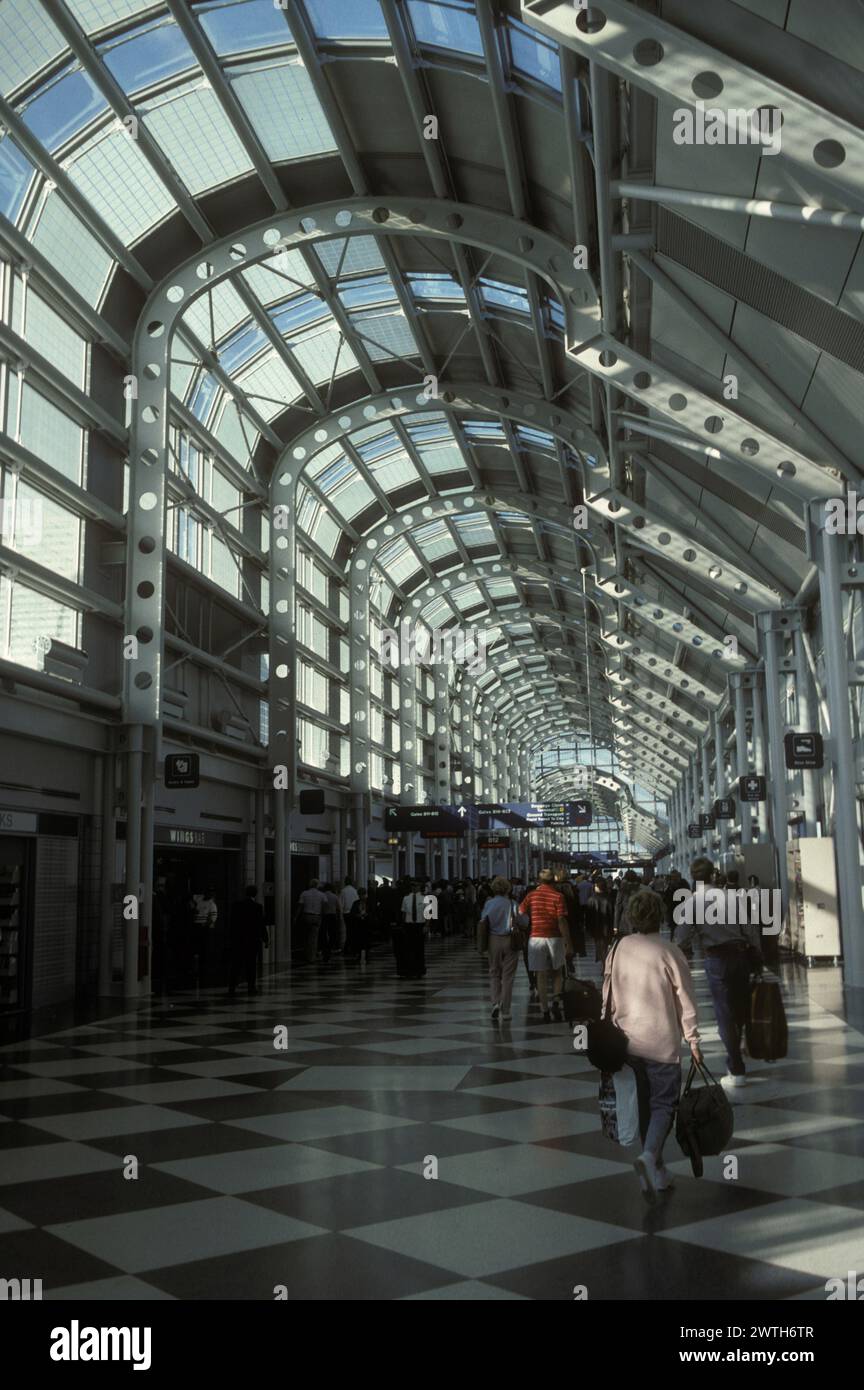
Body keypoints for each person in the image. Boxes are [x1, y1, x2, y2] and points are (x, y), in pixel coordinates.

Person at [604, 887, 701, 1203]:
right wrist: (693, 1039)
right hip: (662, 1043)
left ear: (630, 916)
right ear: (660, 915)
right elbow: (685, 1000)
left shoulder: (619, 947)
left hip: (627, 1042)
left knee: (645, 1105)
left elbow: (607, 989)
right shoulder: (669, 951)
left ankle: (656, 1170)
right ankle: (649, 1157)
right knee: (663, 1104)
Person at [675, 856, 761, 1091]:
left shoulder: (693, 902)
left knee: (724, 1013)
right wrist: (757, 953)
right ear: (713, 874)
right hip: (740, 956)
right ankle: (738, 1048)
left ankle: (736, 1067)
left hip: (717, 960)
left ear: (694, 877)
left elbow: (681, 938)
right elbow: (750, 929)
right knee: (740, 1007)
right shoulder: (733, 897)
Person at [519, 868, 572, 1021]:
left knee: (540, 975)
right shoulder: (558, 896)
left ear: (538, 881)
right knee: (557, 972)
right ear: (553, 880)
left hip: (536, 938)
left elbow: (520, 911)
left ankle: (545, 1010)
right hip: (555, 938)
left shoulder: (531, 895)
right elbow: (561, 920)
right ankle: (555, 1001)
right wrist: (568, 942)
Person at [480, 875, 520, 1022]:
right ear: (507, 888)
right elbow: (523, 920)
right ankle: (506, 1010)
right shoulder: (512, 903)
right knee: (508, 976)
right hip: (510, 940)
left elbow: (483, 920)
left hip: (493, 940)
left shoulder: (489, 903)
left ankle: (495, 1002)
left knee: (494, 973)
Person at [228, 886, 268, 996]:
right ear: (255, 894)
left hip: (238, 939)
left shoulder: (236, 905)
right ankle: (251, 987)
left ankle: (232, 987)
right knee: (251, 965)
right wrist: (265, 938)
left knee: (236, 964)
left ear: (245, 893)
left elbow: (232, 923)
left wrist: (231, 938)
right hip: (252, 940)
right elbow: (261, 924)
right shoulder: (257, 907)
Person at [295, 878, 327, 964]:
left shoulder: (304, 893)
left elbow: (300, 906)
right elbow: (324, 907)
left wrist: (295, 917)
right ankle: (312, 957)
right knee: (314, 938)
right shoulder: (322, 895)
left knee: (306, 936)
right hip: (316, 917)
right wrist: (322, 916)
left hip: (306, 916)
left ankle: (306, 954)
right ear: (317, 885)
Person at [191, 887, 218, 986]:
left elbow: (212, 918)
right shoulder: (199, 898)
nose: (209, 895)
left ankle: (202, 969)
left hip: (204, 928)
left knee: (203, 949)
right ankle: (197, 968)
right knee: (197, 949)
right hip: (196, 926)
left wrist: (205, 925)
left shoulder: (212, 905)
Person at [586, 877, 614, 962]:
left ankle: (603, 961)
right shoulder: (609, 899)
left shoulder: (591, 899)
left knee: (599, 944)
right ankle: (605, 961)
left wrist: (588, 928)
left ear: (597, 887)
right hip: (608, 927)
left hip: (595, 927)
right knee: (605, 945)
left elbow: (588, 916)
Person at [346, 888, 372, 964]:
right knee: (359, 940)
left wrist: (367, 915)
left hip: (366, 923)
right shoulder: (356, 903)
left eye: (363, 895)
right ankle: (359, 955)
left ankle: (367, 955)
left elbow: (372, 912)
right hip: (358, 924)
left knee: (366, 940)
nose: (362, 896)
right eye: (360, 895)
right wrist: (357, 915)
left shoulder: (369, 903)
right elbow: (352, 913)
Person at [614, 870, 640, 937]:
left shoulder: (622, 890)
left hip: (625, 922)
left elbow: (618, 908)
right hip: (638, 921)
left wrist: (615, 926)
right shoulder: (640, 889)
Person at [320, 883, 341, 963]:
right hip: (332, 916)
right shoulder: (335, 896)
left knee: (324, 934)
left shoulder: (322, 895)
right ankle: (329, 948)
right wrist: (339, 918)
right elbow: (338, 908)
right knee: (332, 934)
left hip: (324, 916)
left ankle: (324, 949)